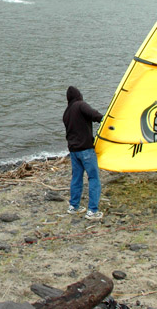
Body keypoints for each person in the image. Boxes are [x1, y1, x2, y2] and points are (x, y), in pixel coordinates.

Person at [63, 86, 104, 220]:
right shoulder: (81, 105)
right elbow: (95, 115)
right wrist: (106, 120)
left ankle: (73, 206)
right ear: (78, 95)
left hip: (74, 152)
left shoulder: (66, 112)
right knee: (93, 178)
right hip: (86, 150)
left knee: (76, 178)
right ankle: (92, 211)